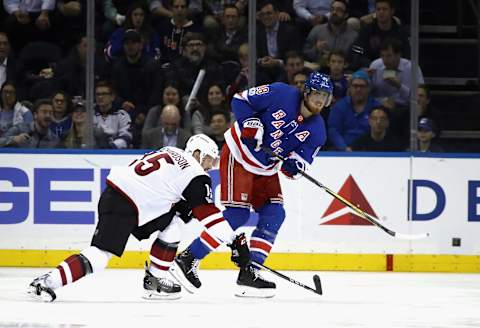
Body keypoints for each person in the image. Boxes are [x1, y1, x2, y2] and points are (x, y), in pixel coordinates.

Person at [28, 134, 252, 302]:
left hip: (123, 198)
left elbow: (173, 197)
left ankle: (155, 280)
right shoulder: (195, 172)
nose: (210, 167)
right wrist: (233, 240)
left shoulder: (170, 150)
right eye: (209, 160)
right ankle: (47, 282)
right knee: (100, 255)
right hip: (127, 203)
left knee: (173, 225)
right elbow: (208, 216)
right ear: (197, 153)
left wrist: (185, 209)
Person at [170, 72, 334, 298]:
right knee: (237, 214)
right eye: (317, 94)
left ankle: (250, 272)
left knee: (275, 214)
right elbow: (240, 99)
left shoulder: (318, 131)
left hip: (266, 169)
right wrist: (250, 123)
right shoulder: (281, 92)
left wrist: (294, 167)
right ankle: (188, 258)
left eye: (325, 97)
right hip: (239, 154)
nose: (319, 101)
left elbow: (300, 163)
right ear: (306, 91)